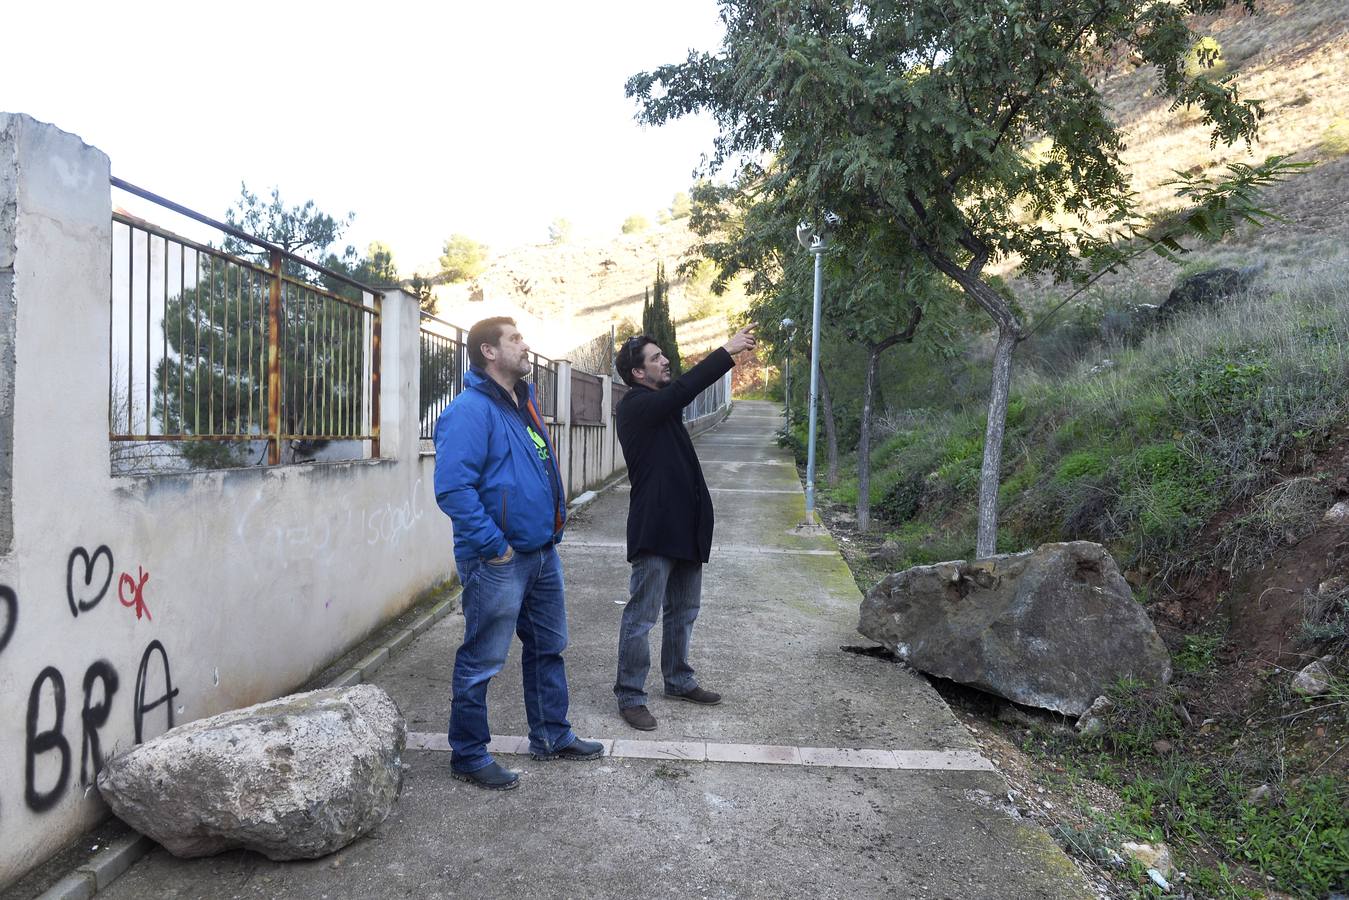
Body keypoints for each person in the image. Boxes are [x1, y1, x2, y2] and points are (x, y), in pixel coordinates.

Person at [433, 316, 602, 790]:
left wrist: (550, 529)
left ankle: (551, 735)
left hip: (542, 553)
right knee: (483, 658)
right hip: (499, 560)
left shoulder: (522, 401)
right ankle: (467, 754)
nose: (526, 346)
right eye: (516, 339)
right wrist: (496, 548)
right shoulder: (470, 410)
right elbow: (453, 489)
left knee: (549, 648)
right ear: (489, 351)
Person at [612, 324, 757, 730]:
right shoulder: (636, 406)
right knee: (642, 617)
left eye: (663, 355)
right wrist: (725, 352)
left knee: (684, 611)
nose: (665, 360)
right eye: (656, 357)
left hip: (685, 530)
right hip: (655, 530)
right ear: (638, 373)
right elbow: (684, 390)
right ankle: (630, 695)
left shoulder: (663, 410)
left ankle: (677, 679)